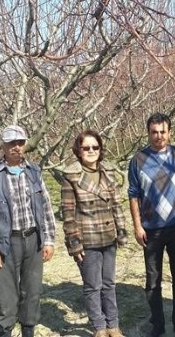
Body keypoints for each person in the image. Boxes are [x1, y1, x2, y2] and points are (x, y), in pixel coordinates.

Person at [0, 125, 57, 337]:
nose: (16, 147)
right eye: (11, 143)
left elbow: (46, 207)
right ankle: (5, 331)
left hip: (33, 240)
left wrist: (48, 240)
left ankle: (28, 330)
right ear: (3, 145)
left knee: (32, 293)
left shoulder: (34, 171)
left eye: (20, 143)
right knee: (7, 297)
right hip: (6, 244)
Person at [128, 113, 175, 337]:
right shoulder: (138, 160)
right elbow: (133, 194)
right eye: (154, 132)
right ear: (148, 133)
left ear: (170, 132)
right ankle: (157, 323)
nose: (159, 136)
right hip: (151, 228)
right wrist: (137, 226)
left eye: (163, 131)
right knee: (153, 279)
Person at [62, 130, 128, 337]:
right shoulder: (71, 176)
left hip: (108, 236)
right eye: (86, 147)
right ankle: (99, 327)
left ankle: (113, 325)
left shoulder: (108, 171)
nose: (91, 151)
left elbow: (116, 203)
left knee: (109, 284)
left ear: (100, 149)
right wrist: (74, 243)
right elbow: (68, 212)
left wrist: (122, 230)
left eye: (95, 147)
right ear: (78, 151)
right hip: (87, 238)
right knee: (93, 286)